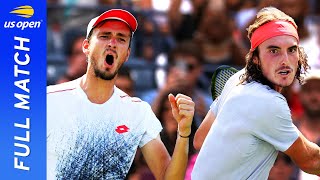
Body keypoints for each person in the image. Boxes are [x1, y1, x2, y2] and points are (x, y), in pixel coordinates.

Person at [47, 9, 195, 179]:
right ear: (86, 47)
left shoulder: (138, 112)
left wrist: (183, 133)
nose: (112, 43)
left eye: (121, 39)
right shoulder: (48, 100)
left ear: (127, 54)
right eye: (104, 36)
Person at [192, 7, 320, 179]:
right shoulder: (269, 102)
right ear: (255, 58)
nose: (285, 60)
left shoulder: (238, 79)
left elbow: (200, 140)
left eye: (291, 50)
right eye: (273, 51)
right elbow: (312, 161)